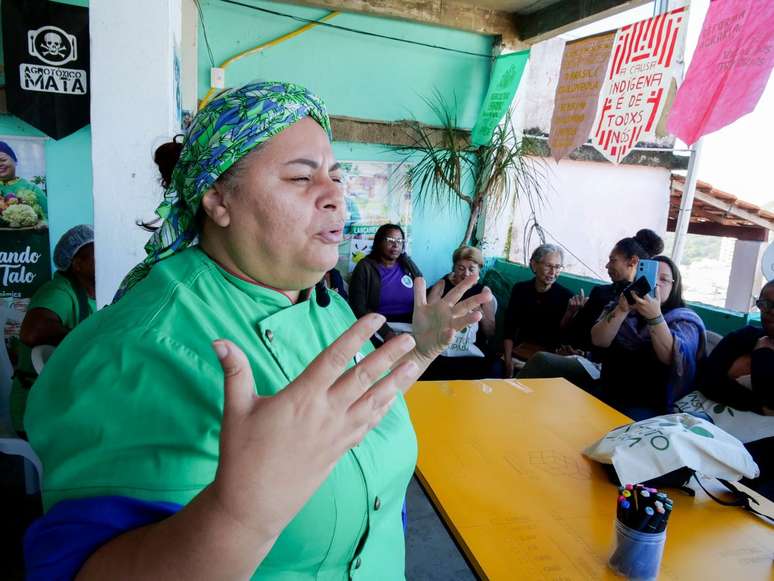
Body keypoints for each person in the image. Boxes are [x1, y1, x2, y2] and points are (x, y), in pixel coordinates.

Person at [23, 81, 491, 580]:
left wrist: (419, 351)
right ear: (219, 200)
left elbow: (353, 412)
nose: (336, 194)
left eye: (335, 174)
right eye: (299, 178)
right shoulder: (134, 347)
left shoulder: (321, 301)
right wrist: (239, 515)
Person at [518, 229, 664, 390]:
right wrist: (572, 344)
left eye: (612, 260)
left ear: (633, 262)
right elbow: (575, 332)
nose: (607, 265)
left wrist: (586, 355)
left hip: (605, 367)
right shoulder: (601, 293)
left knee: (541, 361)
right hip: (580, 358)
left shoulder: (648, 304)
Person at [591, 256, 705, 420]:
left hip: (651, 406)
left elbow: (672, 358)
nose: (656, 283)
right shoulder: (621, 306)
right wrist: (622, 310)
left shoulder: (685, 320)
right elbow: (598, 340)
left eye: (664, 279)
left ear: (675, 286)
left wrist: (654, 316)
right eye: (651, 277)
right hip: (609, 390)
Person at [9, 224, 96, 435]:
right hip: (38, 413)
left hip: (61, 403)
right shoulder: (59, 292)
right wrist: (91, 340)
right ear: (77, 264)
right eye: (97, 254)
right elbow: (32, 332)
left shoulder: (89, 294)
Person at [694, 280, 774, 499]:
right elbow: (708, 381)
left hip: (760, 456)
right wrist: (757, 404)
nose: (767, 312)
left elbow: (769, 394)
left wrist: (763, 353)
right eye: (763, 304)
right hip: (712, 429)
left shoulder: (758, 345)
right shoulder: (744, 337)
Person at [421, 246, 496, 380]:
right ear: (454, 268)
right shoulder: (442, 284)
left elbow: (490, 332)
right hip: (440, 349)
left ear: (479, 270)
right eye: (461, 268)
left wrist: (479, 312)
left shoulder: (484, 292)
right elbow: (426, 319)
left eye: (471, 269)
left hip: (471, 353)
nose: (466, 274)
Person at [502, 244, 573, 378]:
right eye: (548, 266)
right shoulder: (520, 290)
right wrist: (507, 361)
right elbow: (509, 328)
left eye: (557, 267)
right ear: (534, 265)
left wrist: (570, 313)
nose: (553, 272)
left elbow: (561, 338)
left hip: (547, 360)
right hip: (518, 353)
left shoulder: (566, 297)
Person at [348, 223, 423, 343]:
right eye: (390, 240)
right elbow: (359, 307)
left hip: (411, 324)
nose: (396, 245)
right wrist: (386, 333)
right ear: (378, 242)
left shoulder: (406, 265)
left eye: (399, 241)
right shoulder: (365, 267)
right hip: (379, 325)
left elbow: (421, 283)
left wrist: (406, 258)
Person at [0, 140, 48, 228]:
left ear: (15, 161)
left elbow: (49, 214)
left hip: (29, 240)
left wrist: (43, 222)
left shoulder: (32, 188)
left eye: (3, 160)